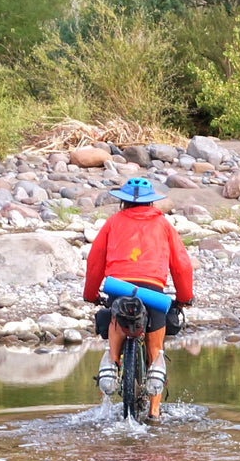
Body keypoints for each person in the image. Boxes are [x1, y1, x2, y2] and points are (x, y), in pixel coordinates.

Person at [83, 177, 194, 420]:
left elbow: (95, 262)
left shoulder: (113, 222)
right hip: (153, 292)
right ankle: (155, 412)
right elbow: (182, 266)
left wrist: (90, 294)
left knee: (114, 331)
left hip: (118, 290)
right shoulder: (163, 225)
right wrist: (184, 298)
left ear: (123, 202)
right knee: (156, 352)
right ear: (152, 202)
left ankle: (111, 365)